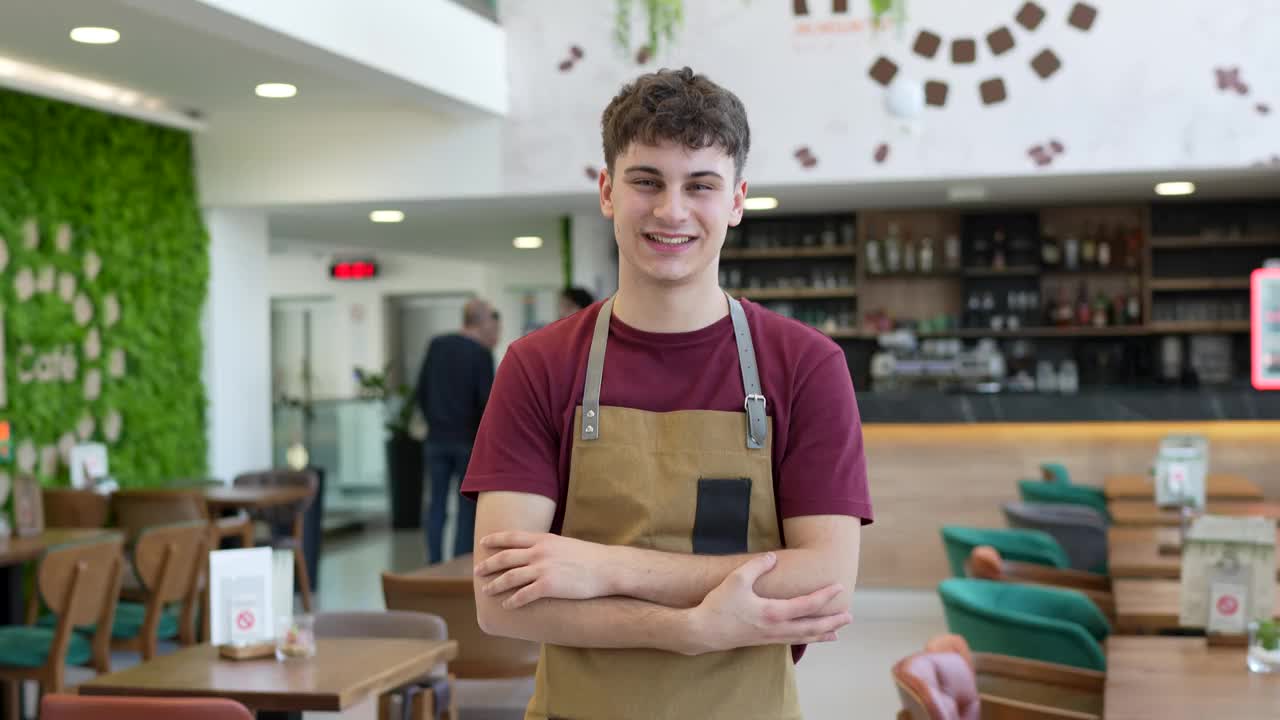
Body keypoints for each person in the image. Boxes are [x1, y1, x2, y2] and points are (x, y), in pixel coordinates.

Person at [463, 67, 871, 719]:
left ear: (736, 200)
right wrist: (686, 630)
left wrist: (602, 570)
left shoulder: (804, 365)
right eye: (646, 181)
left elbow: (824, 580)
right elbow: (500, 601)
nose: (671, 210)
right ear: (607, 191)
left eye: (700, 186)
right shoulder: (537, 365)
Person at [415, 298, 499, 564]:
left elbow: (421, 390)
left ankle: (434, 563)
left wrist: (433, 421)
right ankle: (461, 563)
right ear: (483, 321)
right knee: (466, 507)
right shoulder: (481, 354)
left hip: (436, 439)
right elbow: (488, 403)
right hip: (467, 442)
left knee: (436, 504)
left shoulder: (437, 345)